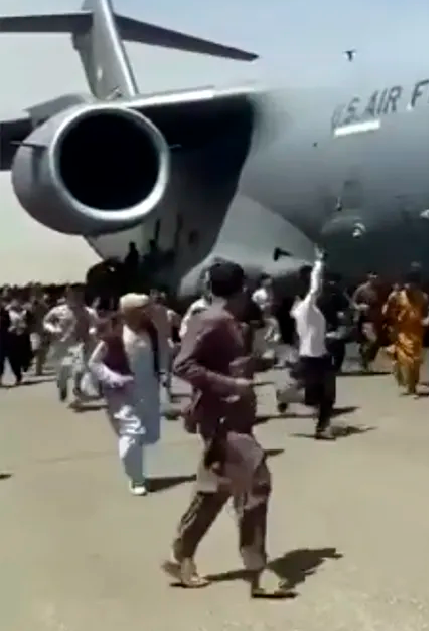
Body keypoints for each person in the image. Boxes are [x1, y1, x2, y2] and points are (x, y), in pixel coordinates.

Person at [164, 260, 294, 598]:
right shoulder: (210, 320)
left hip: (233, 416)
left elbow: (223, 362)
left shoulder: (231, 322)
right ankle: (257, 571)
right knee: (257, 482)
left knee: (214, 490)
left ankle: (181, 555)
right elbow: (183, 364)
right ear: (243, 288)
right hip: (221, 419)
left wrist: (261, 364)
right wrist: (230, 384)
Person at [87, 294, 163, 495]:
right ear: (129, 312)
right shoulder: (115, 335)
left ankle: (137, 473)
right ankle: (136, 479)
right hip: (121, 394)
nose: (148, 312)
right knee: (132, 434)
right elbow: (94, 363)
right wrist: (114, 379)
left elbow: (160, 355)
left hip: (147, 391)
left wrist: (164, 376)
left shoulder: (151, 331)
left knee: (145, 435)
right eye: (142, 309)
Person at [288, 248, 337, 439]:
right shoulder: (307, 306)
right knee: (317, 397)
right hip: (310, 358)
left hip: (319, 355)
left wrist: (330, 336)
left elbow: (312, 332)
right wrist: (319, 262)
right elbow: (315, 287)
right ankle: (286, 395)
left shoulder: (303, 309)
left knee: (326, 395)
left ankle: (322, 427)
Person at [43, 285, 99, 407]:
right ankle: (62, 385)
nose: (77, 297)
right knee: (63, 370)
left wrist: (92, 331)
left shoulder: (89, 312)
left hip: (80, 344)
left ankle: (77, 390)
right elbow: (46, 322)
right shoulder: (58, 310)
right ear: (68, 295)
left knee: (79, 368)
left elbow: (94, 324)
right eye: (74, 294)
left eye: (79, 294)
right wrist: (53, 329)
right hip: (62, 344)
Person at [382, 267, 429, 395]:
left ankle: (412, 384)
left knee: (416, 361)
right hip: (402, 332)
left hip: (417, 333)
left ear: (417, 284)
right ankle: (406, 380)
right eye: (407, 283)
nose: (409, 285)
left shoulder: (423, 297)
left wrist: (428, 319)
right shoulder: (397, 296)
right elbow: (387, 312)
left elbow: (428, 312)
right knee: (407, 360)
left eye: (413, 283)